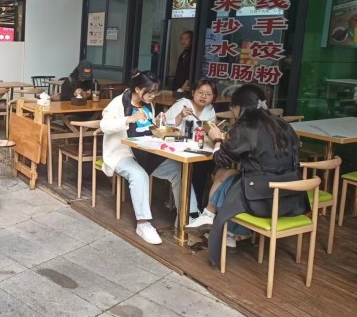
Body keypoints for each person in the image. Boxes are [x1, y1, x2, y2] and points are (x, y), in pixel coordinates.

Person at [185, 84, 308, 265]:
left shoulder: (247, 127)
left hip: (263, 201)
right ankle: (227, 231)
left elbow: (220, 159)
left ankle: (209, 216)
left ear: (239, 107)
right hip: (291, 198)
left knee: (228, 175)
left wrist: (217, 138)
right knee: (234, 175)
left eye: (233, 108)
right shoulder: (283, 125)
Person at [100, 70, 199, 245]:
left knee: (179, 171)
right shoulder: (118, 103)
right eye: (150, 92)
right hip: (123, 153)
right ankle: (143, 223)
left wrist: (165, 121)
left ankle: (188, 217)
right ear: (138, 89)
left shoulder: (148, 105)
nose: (153, 96)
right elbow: (105, 126)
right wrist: (129, 119)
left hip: (146, 153)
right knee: (139, 175)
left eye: (155, 92)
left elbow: (151, 129)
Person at [164, 78, 219, 206]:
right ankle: (189, 206)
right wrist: (180, 116)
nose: (203, 97)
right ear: (193, 92)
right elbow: (164, 125)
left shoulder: (210, 109)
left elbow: (210, 131)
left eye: (208, 94)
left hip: (197, 148)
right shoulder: (182, 104)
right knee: (197, 169)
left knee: (204, 166)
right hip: (178, 147)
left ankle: (194, 204)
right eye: (200, 92)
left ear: (213, 97)